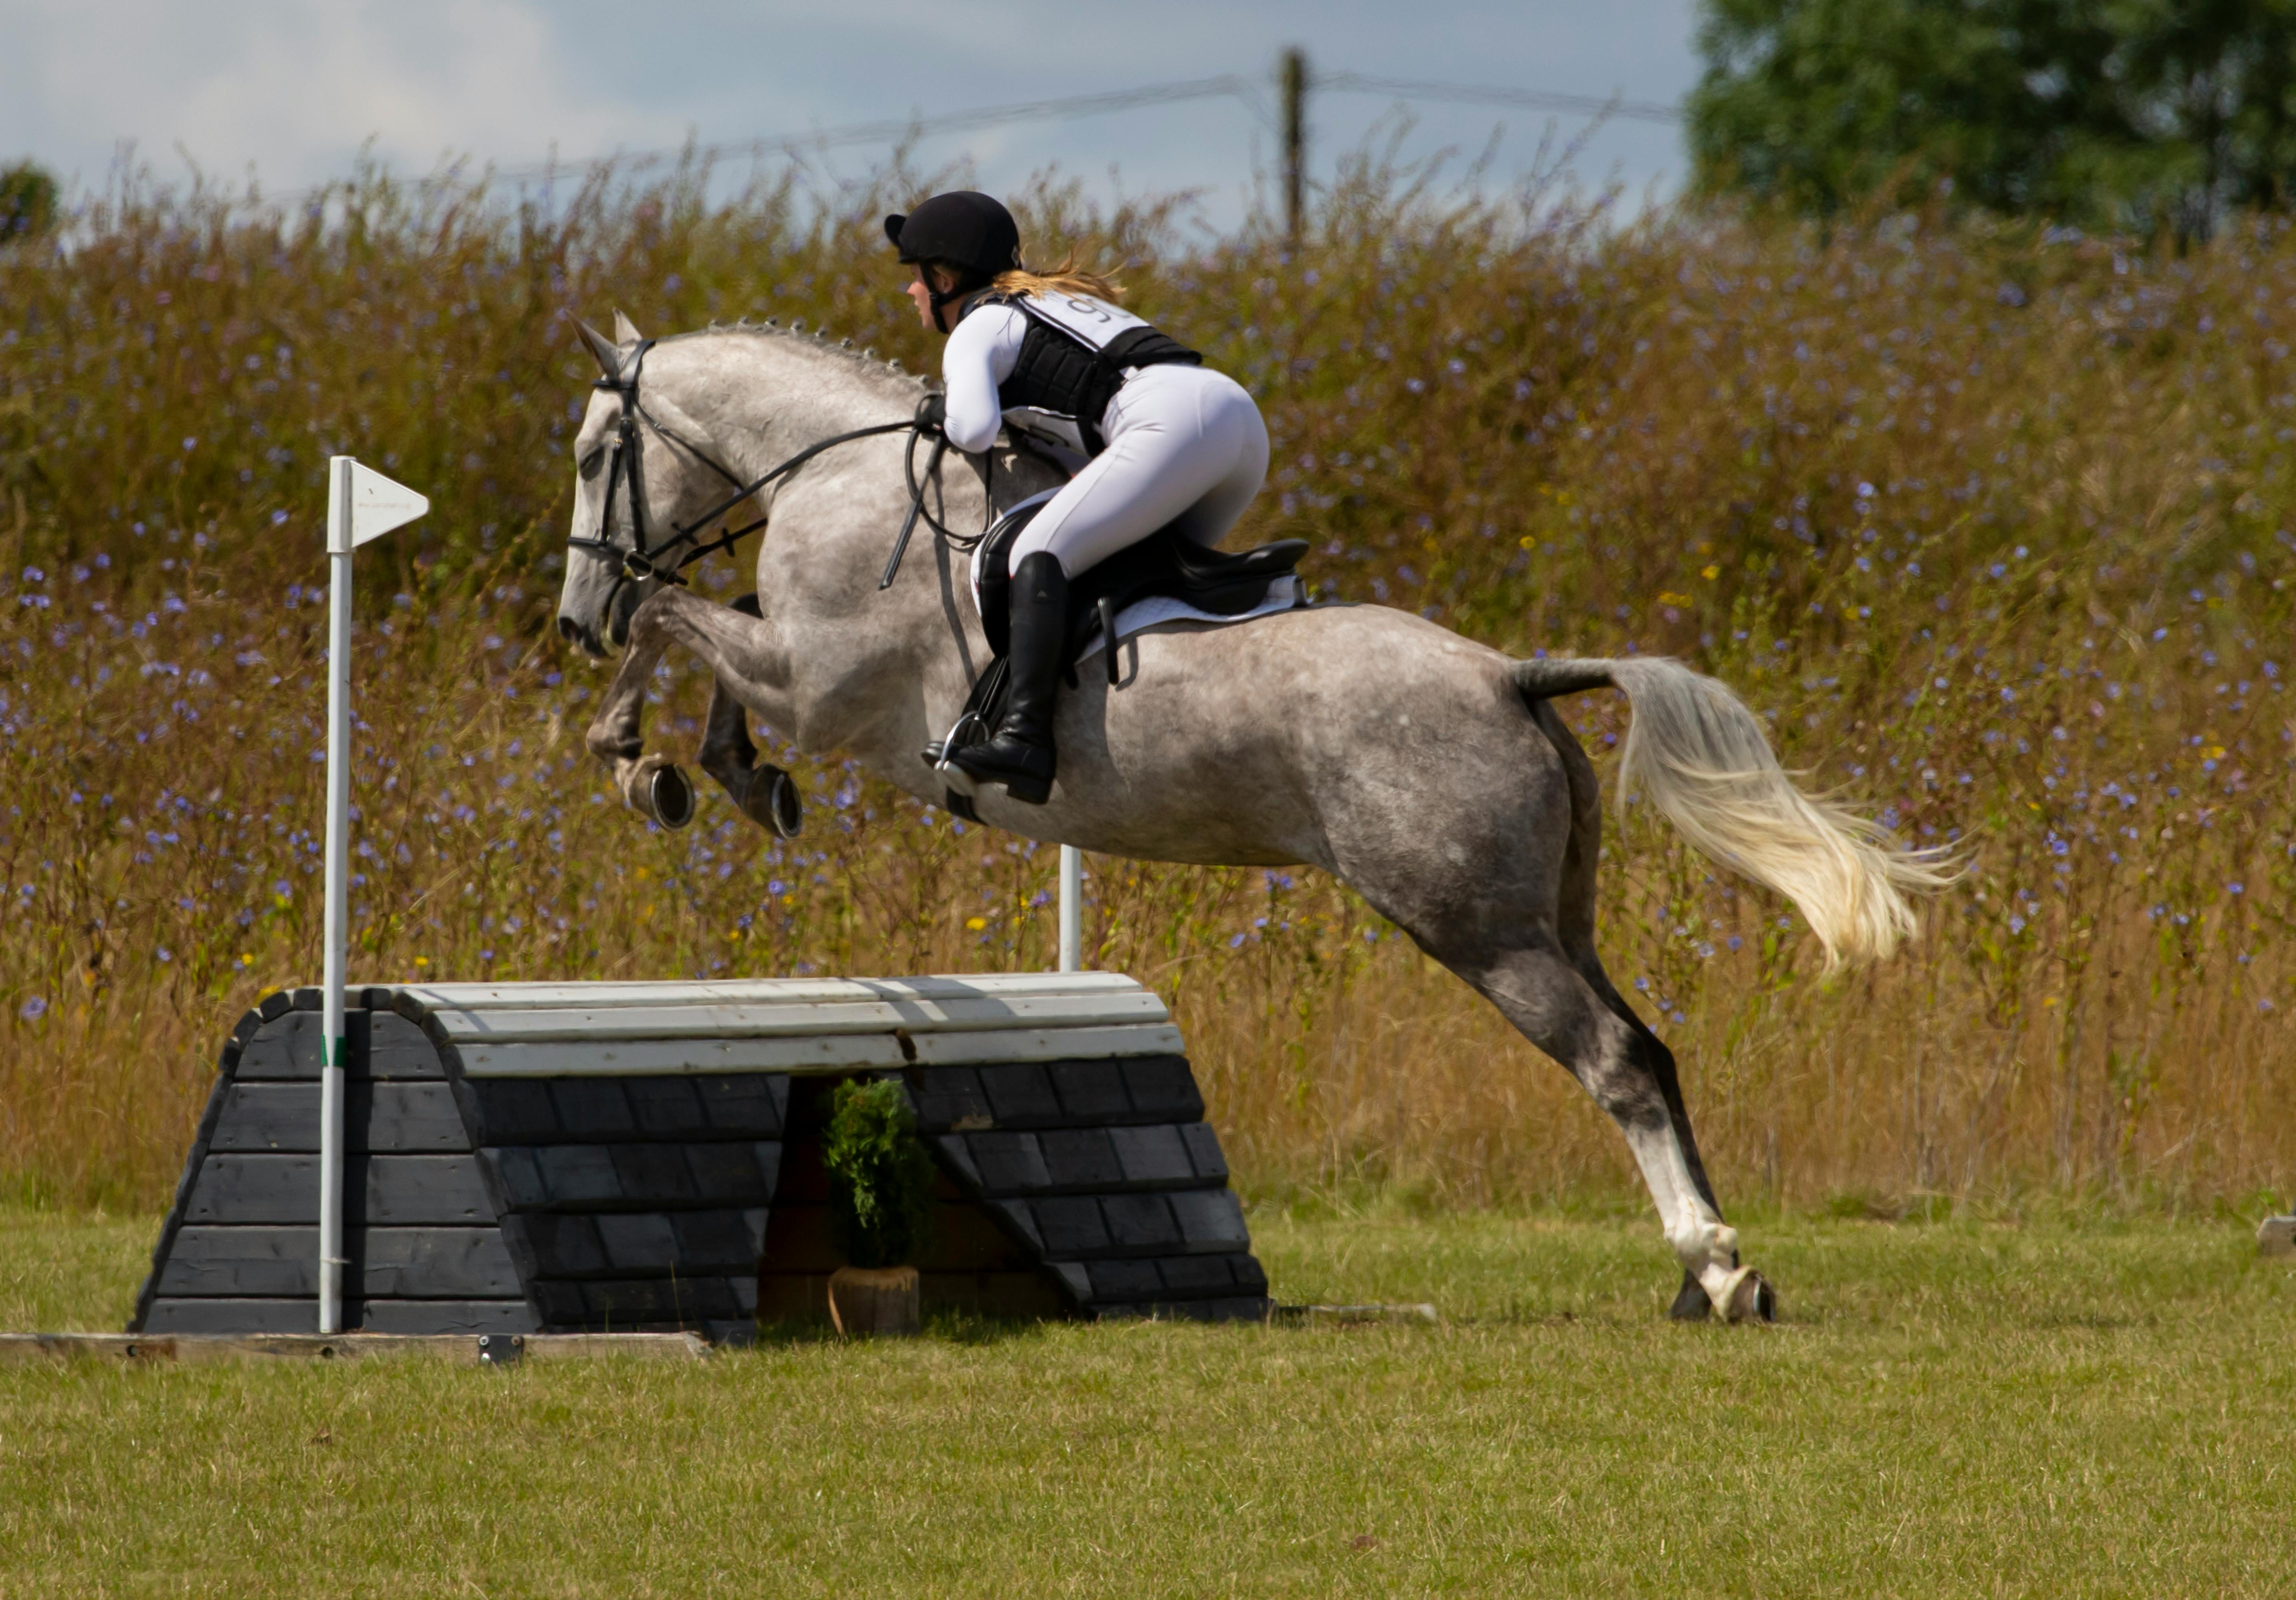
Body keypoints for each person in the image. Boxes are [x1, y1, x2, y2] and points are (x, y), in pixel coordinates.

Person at [886, 190, 1269, 805]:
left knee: (1035, 550)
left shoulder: (978, 324)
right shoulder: (1054, 300)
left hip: (1168, 423)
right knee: (1122, 567)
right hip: (1237, 424)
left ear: (945, 277)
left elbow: (974, 430)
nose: (909, 292)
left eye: (915, 277)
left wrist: (938, 409)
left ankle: (1025, 740)